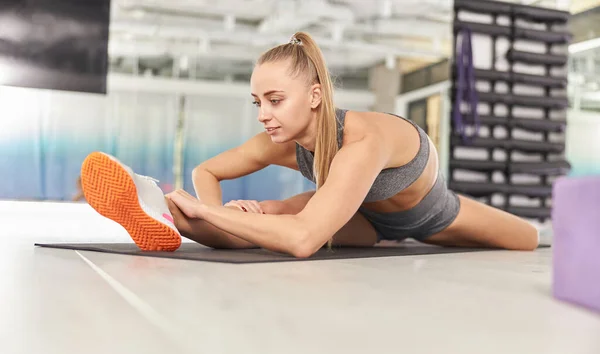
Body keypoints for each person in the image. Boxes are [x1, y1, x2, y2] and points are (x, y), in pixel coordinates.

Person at [79, 31, 539, 257]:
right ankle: (159, 206)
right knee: (254, 225)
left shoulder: (365, 140)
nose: (263, 113)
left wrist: (213, 211)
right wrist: (211, 211)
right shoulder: (279, 141)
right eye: (258, 101)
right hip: (366, 220)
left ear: (315, 96)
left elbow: (304, 240)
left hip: (435, 214)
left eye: (275, 100)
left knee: (529, 239)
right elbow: (208, 171)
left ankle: (186, 213)